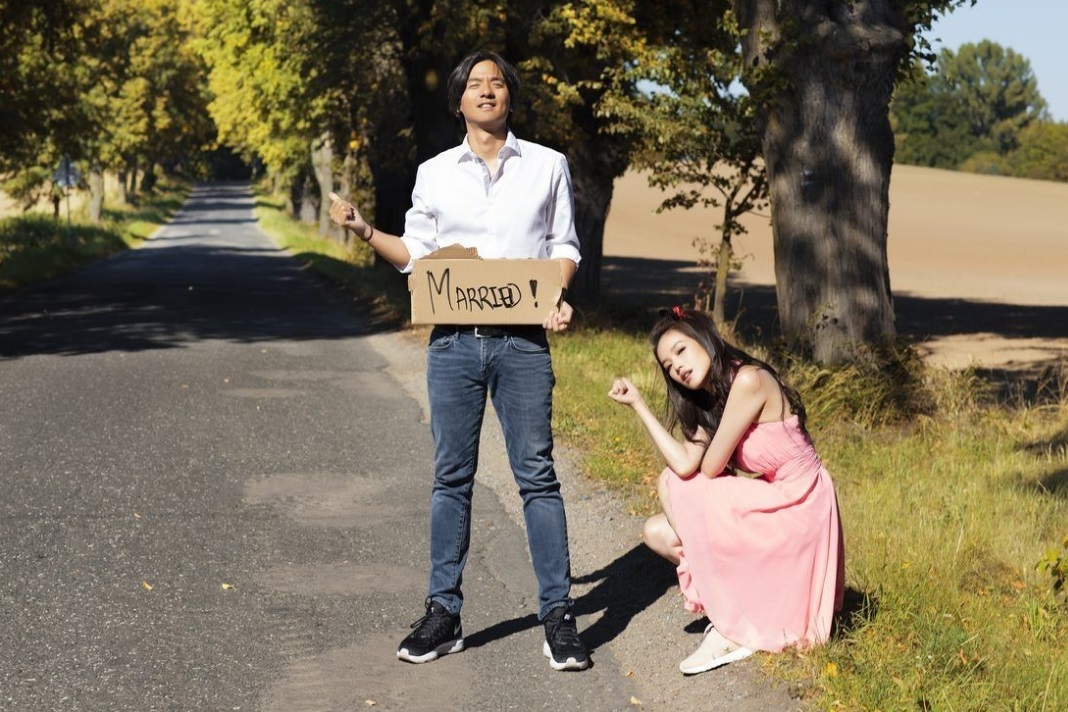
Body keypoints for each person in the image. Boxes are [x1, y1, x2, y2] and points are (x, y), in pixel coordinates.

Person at [328, 49, 589, 672]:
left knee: (537, 477)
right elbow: (417, 256)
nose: (487, 91)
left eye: (497, 83)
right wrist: (364, 229)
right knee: (451, 477)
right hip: (453, 345)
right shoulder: (434, 173)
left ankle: (558, 616)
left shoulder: (548, 165)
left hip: (523, 345)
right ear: (458, 101)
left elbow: (563, 245)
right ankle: (443, 614)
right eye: (475, 84)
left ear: (510, 96)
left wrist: (554, 297)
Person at [608, 307, 844, 675]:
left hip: (802, 505)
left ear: (705, 338)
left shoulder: (748, 381)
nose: (677, 367)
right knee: (656, 530)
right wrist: (639, 405)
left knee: (673, 484)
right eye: (668, 366)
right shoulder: (710, 399)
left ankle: (732, 625)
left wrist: (703, 439)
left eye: (681, 351)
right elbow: (684, 463)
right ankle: (738, 608)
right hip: (777, 500)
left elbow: (708, 467)